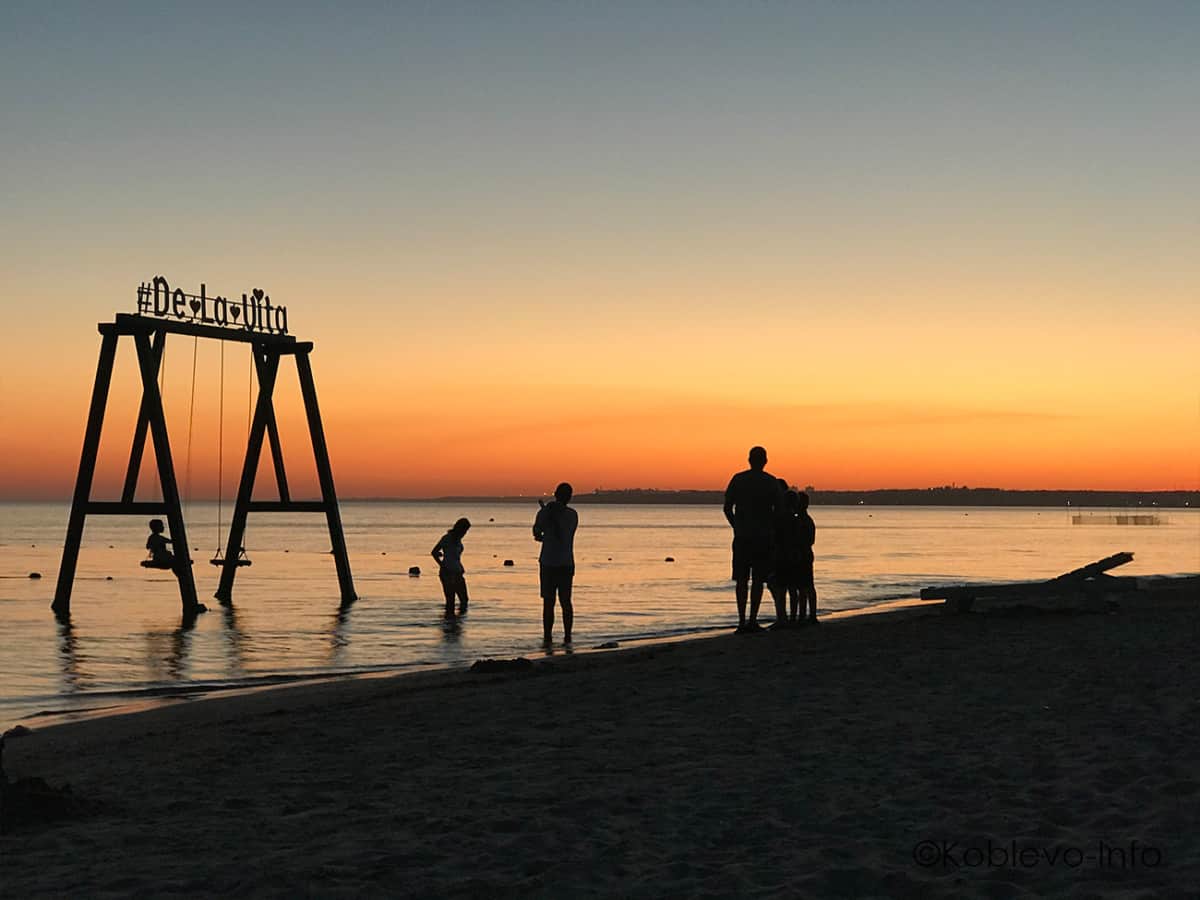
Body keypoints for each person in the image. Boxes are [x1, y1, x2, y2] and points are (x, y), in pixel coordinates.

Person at [723, 446, 784, 632]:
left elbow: (727, 508)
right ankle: (751, 620)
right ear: (765, 461)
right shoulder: (770, 482)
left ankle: (742, 621)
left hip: (743, 537)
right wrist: (771, 528)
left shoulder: (738, 479)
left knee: (741, 580)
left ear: (749, 460)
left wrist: (736, 526)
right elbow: (779, 510)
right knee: (758, 579)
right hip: (763, 537)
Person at [533, 482, 578, 645]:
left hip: (549, 562)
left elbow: (536, 532)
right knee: (566, 601)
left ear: (555, 494)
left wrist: (548, 515)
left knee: (548, 602)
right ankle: (567, 636)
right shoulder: (572, 515)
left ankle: (548, 637)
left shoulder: (546, 512)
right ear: (569, 497)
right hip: (566, 563)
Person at [431, 517, 471, 618]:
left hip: (457, 572)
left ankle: (457, 622)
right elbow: (434, 552)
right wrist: (442, 565)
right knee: (450, 601)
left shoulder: (458, 540)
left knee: (464, 600)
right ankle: (449, 623)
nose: (465, 533)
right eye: (465, 530)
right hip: (447, 573)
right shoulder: (447, 538)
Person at [795, 491, 819, 624]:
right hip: (805, 553)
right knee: (806, 586)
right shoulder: (805, 520)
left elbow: (809, 540)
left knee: (804, 586)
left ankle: (806, 615)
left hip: (803, 554)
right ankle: (807, 615)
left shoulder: (803, 521)